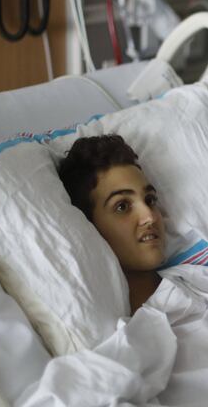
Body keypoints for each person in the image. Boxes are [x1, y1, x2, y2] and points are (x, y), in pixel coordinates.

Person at [58, 134, 166, 314]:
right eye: (122, 206)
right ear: (89, 226)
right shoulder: (119, 337)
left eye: (150, 200)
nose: (150, 216)